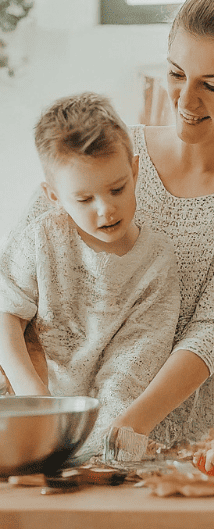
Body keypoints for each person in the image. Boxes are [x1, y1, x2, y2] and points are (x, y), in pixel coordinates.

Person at [20, 0, 214, 450]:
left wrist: (124, 430)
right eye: (176, 74)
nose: (186, 102)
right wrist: (39, 411)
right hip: (44, 431)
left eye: (212, 86)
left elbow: (213, 331)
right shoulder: (112, 148)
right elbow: (21, 280)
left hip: (167, 442)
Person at [0, 92, 181, 455]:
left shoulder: (156, 263)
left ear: (135, 169)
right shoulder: (41, 238)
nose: (106, 209)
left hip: (102, 427)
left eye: (117, 189)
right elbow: (6, 313)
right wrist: (35, 400)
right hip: (25, 412)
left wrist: (95, 444)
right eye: (84, 200)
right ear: (53, 196)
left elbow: (133, 365)